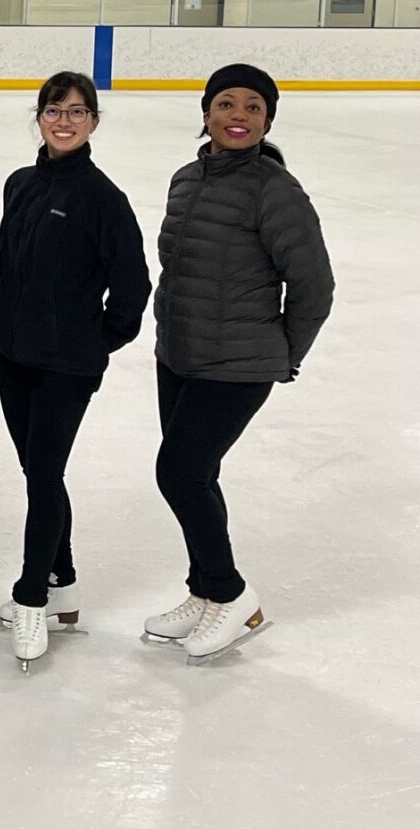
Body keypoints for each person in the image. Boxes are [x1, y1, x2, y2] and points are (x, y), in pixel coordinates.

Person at [144, 64, 332, 662]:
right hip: (179, 353)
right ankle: (204, 592)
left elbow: (314, 287)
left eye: (254, 107)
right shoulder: (185, 178)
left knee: (179, 473)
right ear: (205, 114)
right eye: (227, 103)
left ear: (267, 120)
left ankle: (230, 594)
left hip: (238, 362)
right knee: (197, 476)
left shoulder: (276, 190)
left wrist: (282, 354)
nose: (239, 115)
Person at [0, 71, 150, 670]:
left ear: (93, 123)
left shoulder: (103, 199)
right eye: (55, 110)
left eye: (78, 112)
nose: (64, 121)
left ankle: (33, 596)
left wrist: (95, 341)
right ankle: (65, 584)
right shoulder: (19, 184)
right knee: (40, 473)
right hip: (15, 354)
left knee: (44, 473)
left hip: (68, 366)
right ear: (40, 116)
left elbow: (133, 287)